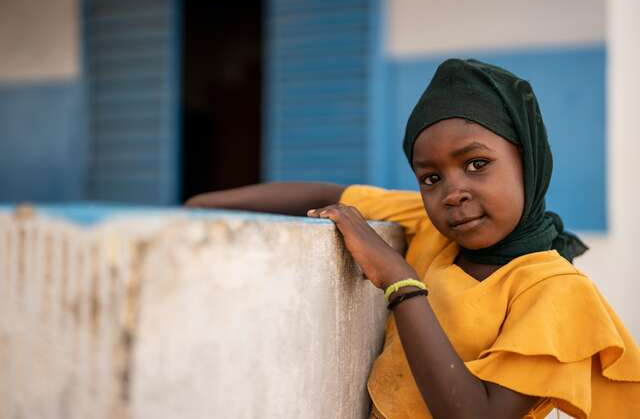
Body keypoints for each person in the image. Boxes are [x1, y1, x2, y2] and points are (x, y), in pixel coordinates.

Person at [186, 59, 640, 418]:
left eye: (477, 164)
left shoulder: (557, 291)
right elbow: (328, 194)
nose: (452, 192)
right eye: (430, 177)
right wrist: (201, 206)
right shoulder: (431, 227)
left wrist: (400, 282)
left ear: (530, 161)